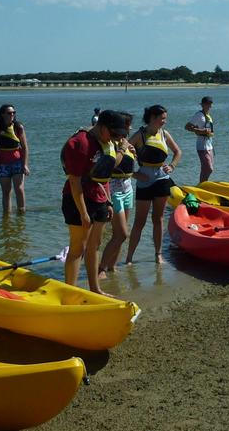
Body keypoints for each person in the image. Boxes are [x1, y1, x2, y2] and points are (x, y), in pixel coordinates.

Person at [60, 110, 129, 295]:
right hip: (77, 199)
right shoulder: (79, 143)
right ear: (103, 127)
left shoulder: (107, 143)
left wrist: (108, 202)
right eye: (114, 134)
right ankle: (70, 293)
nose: (115, 139)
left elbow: (104, 175)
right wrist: (83, 213)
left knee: (94, 246)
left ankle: (95, 289)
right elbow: (74, 181)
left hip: (99, 198)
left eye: (119, 136)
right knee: (77, 248)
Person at [125, 105, 181, 264]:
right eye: (162, 118)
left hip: (162, 179)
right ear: (152, 118)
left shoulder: (164, 134)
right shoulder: (139, 135)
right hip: (144, 180)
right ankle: (129, 258)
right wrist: (134, 174)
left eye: (165, 118)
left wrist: (172, 166)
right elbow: (121, 157)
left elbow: (178, 152)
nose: (165, 121)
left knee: (158, 218)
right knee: (139, 222)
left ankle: (158, 255)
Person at [98, 112, 136, 277]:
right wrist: (123, 148)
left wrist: (132, 152)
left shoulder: (125, 143)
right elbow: (112, 165)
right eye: (128, 126)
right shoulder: (111, 144)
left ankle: (112, 266)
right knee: (121, 234)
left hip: (127, 187)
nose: (130, 129)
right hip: (113, 189)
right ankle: (101, 269)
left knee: (120, 234)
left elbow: (131, 166)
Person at [0, 104, 29, 213]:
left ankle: (21, 214)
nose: (12, 115)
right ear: (2, 114)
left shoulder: (18, 127)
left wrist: (25, 165)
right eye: (9, 113)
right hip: (2, 164)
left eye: (14, 112)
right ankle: (6, 216)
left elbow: (24, 147)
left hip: (17, 162)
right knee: (6, 191)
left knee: (19, 189)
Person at [184, 96, 216, 183]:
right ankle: (201, 185)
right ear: (202, 105)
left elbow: (210, 131)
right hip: (202, 146)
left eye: (210, 104)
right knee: (209, 168)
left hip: (209, 146)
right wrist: (198, 130)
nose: (209, 105)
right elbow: (187, 127)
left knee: (206, 169)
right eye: (206, 104)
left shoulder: (208, 116)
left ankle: (203, 186)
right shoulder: (199, 115)